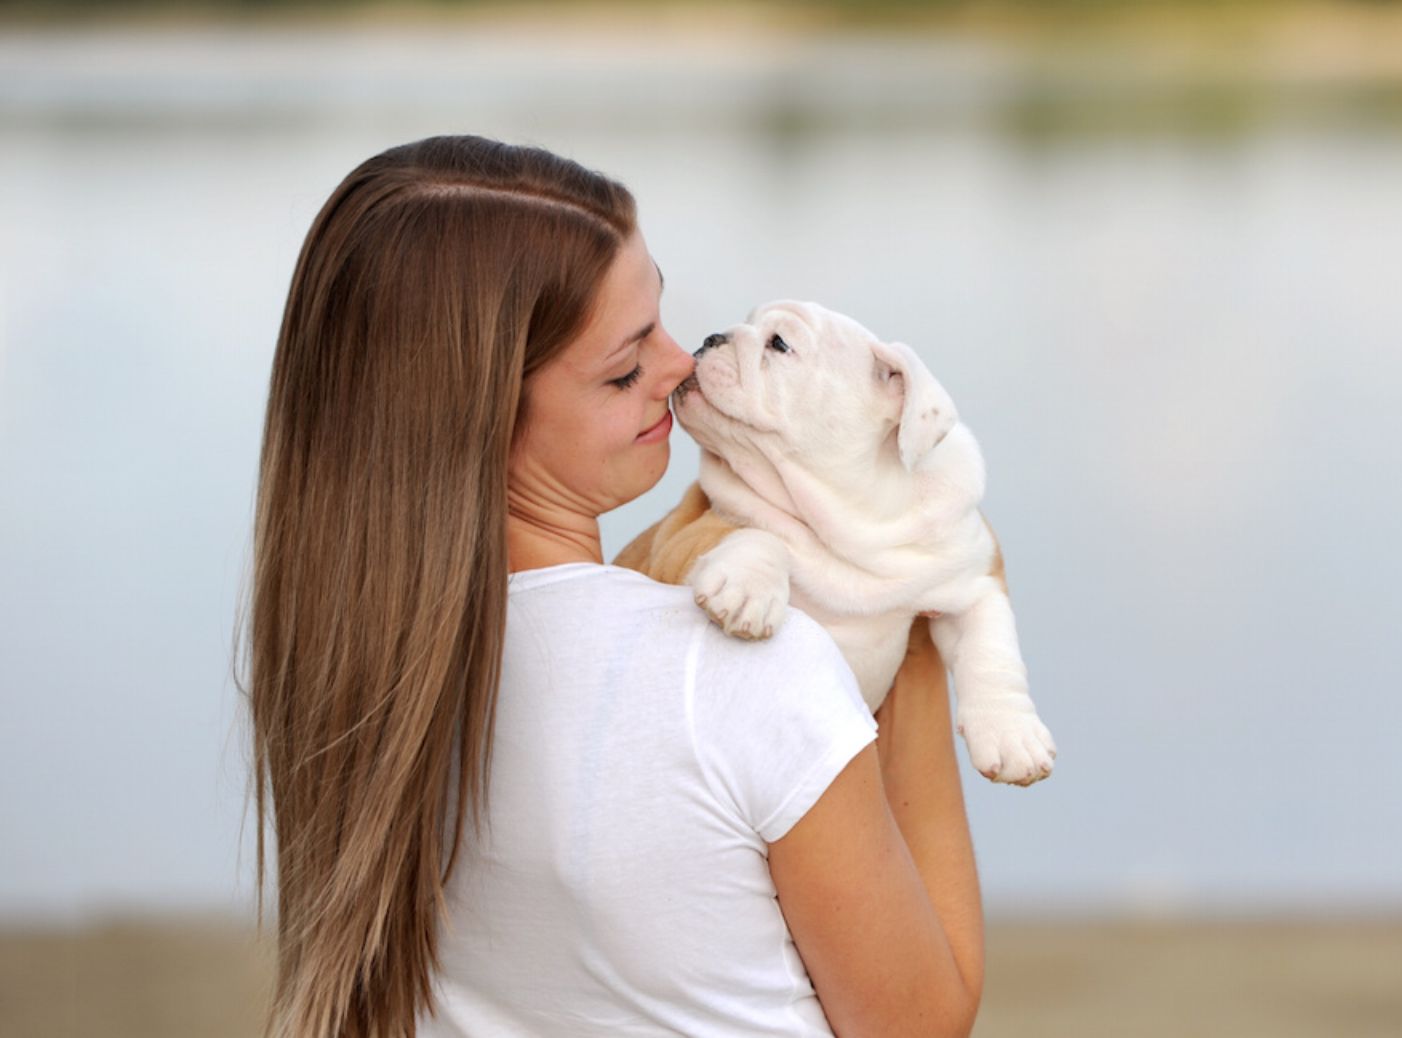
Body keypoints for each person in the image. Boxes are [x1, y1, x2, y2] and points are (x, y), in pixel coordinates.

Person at [243, 134, 983, 1038]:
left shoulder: (343, 670)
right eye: (626, 367)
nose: (679, 367)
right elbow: (924, 1022)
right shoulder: (742, 671)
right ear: (478, 418)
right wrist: (904, 619)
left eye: (662, 320)